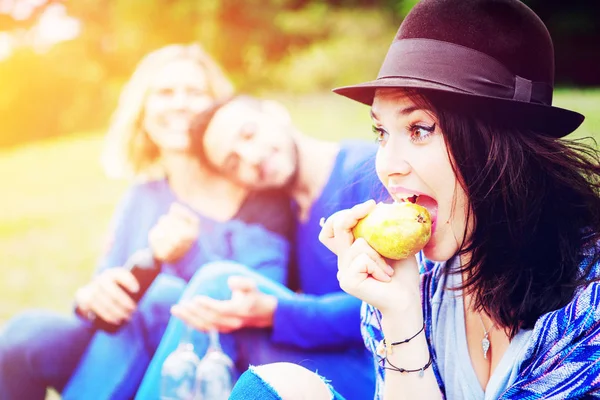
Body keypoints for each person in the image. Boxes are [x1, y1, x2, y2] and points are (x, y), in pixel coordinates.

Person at [228, 0, 600, 399]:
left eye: (419, 128)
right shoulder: (409, 275)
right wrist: (400, 313)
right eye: (382, 133)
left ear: (499, 145)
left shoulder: (587, 299)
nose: (387, 165)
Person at [0, 44, 292, 400]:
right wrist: (91, 298)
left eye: (195, 92)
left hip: (213, 360)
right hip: (123, 355)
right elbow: (105, 294)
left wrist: (188, 254)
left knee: (162, 296)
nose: (179, 104)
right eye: (165, 93)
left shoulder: (253, 187)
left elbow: (256, 300)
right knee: (25, 333)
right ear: (143, 112)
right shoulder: (142, 196)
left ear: (219, 109)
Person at [134, 95, 387, 400]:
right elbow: (249, 291)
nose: (250, 157)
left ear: (276, 111)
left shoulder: (368, 171)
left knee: (217, 283)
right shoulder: (288, 212)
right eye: (233, 162)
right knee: (168, 296)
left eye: (249, 133)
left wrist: (278, 313)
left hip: (383, 371)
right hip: (329, 361)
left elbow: (394, 301)